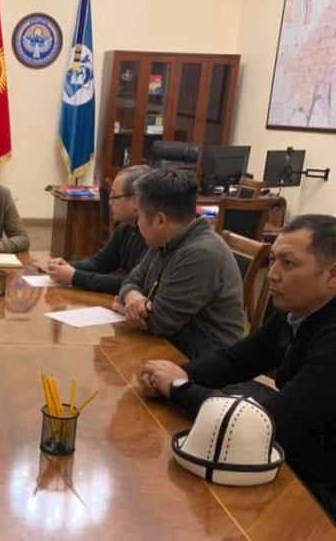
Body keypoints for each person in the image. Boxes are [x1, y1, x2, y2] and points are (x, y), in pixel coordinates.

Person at [139, 214, 336, 518]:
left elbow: (261, 426)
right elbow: (235, 360)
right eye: (272, 261)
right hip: (292, 451)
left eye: (288, 263)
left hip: (319, 488)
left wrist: (178, 387)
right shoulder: (299, 311)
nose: (272, 275)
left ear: (332, 275)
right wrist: (178, 374)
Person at [114, 168, 243, 358]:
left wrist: (125, 306)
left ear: (160, 220)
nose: (138, 223)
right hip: (168, 346)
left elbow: (159, 323)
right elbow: (131, 279)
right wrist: (132, 297)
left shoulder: (200, 254)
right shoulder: (164, 240)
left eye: (139, 216)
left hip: (202, 361)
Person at [47, 165, 149, 293]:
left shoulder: (152, 236)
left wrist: (75, 277)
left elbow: (129, 282)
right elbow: (100, 263)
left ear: (135, 201)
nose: (109, 202)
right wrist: (66, 266)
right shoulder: (125, 228)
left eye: (114, 196)